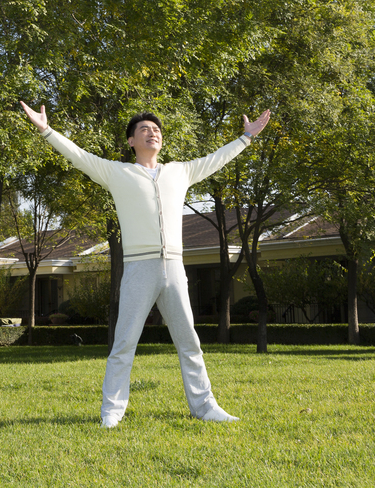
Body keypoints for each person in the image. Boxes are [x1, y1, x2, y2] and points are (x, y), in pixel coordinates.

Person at [20, 100, 271, 428]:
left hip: (175, 269)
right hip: (139, 269)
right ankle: (112, 411)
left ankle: (205, 407)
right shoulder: (117, 172)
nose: (152, 133)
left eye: (156, 130)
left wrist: (246, 138)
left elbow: (214, 160)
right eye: (144, 130)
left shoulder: (179, 171)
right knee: (124, 342)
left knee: (189, 342)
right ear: (131, 141)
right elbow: (78, 156)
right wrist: (46, 129)